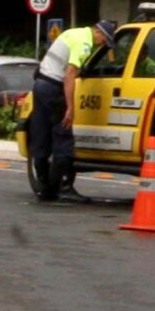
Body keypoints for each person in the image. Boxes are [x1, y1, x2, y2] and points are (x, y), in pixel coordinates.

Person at [26, 18, 117, 196]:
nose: (102, 45)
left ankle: (42, 184)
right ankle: (57, 188)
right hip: (53, 88)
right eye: (104, 41)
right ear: (98, 32)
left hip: (40, 84)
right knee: (63, 139)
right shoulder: (84, 43)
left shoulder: (73, 33)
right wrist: (70, 107)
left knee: (41, 135)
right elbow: (69, 75)